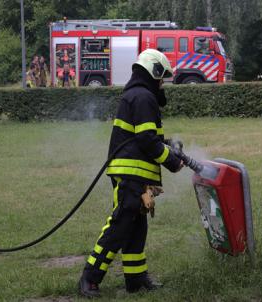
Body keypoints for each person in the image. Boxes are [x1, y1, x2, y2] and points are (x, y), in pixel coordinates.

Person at [78, 49, 183, 298]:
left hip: (135, 173)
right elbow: (147, 140)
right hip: (130, 174)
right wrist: (172, 161)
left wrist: (169, 146)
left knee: (136, 228)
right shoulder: (143, 97)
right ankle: (89, 278)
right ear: (153, 72)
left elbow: (144, 138)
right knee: (120, 225)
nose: (162, 83)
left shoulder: (137, 95)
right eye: (161, 77)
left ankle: (135, 280)